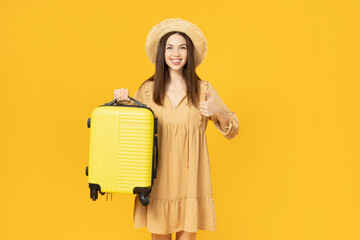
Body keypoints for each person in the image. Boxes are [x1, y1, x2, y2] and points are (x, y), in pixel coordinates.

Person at [113, 18, 239, 240]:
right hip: (159, 183)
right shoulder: (147, 90)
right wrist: (122, 101)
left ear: (189, 53)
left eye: (182, 47)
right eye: (170, 47)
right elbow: (128, 130)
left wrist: (217, 109)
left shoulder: (203, 89)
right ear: (162, 53)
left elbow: (232, 130)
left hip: (190, 184)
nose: (176, 53)